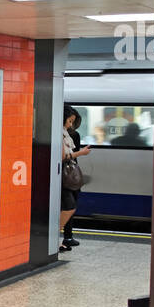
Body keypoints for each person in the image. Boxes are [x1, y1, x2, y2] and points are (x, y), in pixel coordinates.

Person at [60, 106, 91, 253]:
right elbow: (63, 157)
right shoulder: (60, 134)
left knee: (69, 206)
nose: (71, 124)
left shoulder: (68, 134)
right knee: (69, 206)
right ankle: (57, 237)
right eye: (70, 121)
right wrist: (81, 153)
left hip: (68, 176)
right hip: (63, 177)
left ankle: (61, 237)